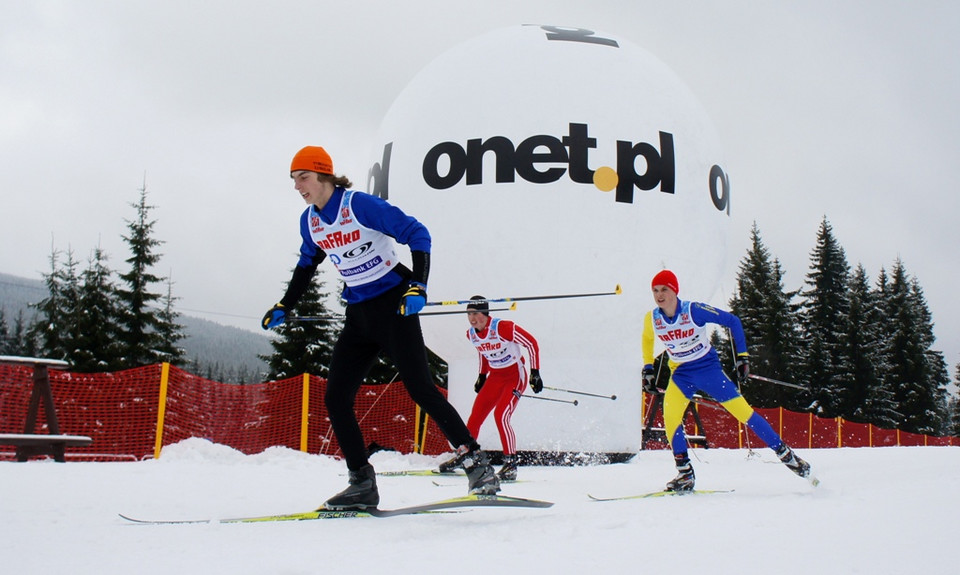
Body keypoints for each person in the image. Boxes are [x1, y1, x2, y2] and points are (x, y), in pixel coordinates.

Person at [262, 145, 500, 510]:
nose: (298, 186)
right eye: (294, 180)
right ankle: (361, 483)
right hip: (359, 314)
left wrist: (418, 286)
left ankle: (476, 464)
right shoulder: (309, 221)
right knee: (336, 397)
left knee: (421, 388)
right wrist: (285, 304)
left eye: (303, 177)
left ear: (324, 175)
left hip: (394, 305)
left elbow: (417, 233)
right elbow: (307, 262)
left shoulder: (359, 205)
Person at [641, 269, 812, 491]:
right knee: (671, 418)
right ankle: (685, 474)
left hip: (707, 370)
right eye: (655, 290)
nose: (659, 295)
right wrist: (648, 368)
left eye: (664, 289)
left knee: (744, 413)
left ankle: (786, 454)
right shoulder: (652, 318)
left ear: (675, 290)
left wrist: (742, 357)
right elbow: (647, 339)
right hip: (682, 375)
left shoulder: (693, 310)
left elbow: (732, 321)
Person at [438, 296, 543, 481]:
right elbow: (483, 353)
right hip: (495, 377)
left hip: (514, 377)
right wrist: (482, 375)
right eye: (469, 314)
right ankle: (465, 454)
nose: (472, 318)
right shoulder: (471, 334)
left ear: (485, 314)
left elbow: (531, 343)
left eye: (476, 313)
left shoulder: (503, 327)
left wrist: (535, 372)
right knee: (475, 416)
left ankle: (510, 463)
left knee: (501, 416)